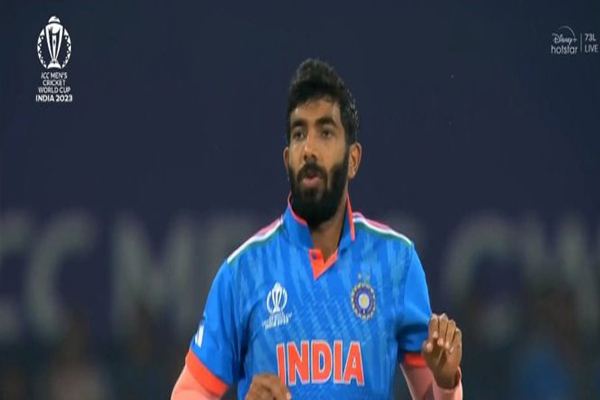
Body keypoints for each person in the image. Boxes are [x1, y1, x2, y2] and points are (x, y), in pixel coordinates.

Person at [172, 59, 463, 400]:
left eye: (325, 132)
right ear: (287, 159)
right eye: (299, 134)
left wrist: (446, 383)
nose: (309, 149)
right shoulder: (243, 272)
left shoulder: (396, 261)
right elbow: (189, 391)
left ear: (353, 159)